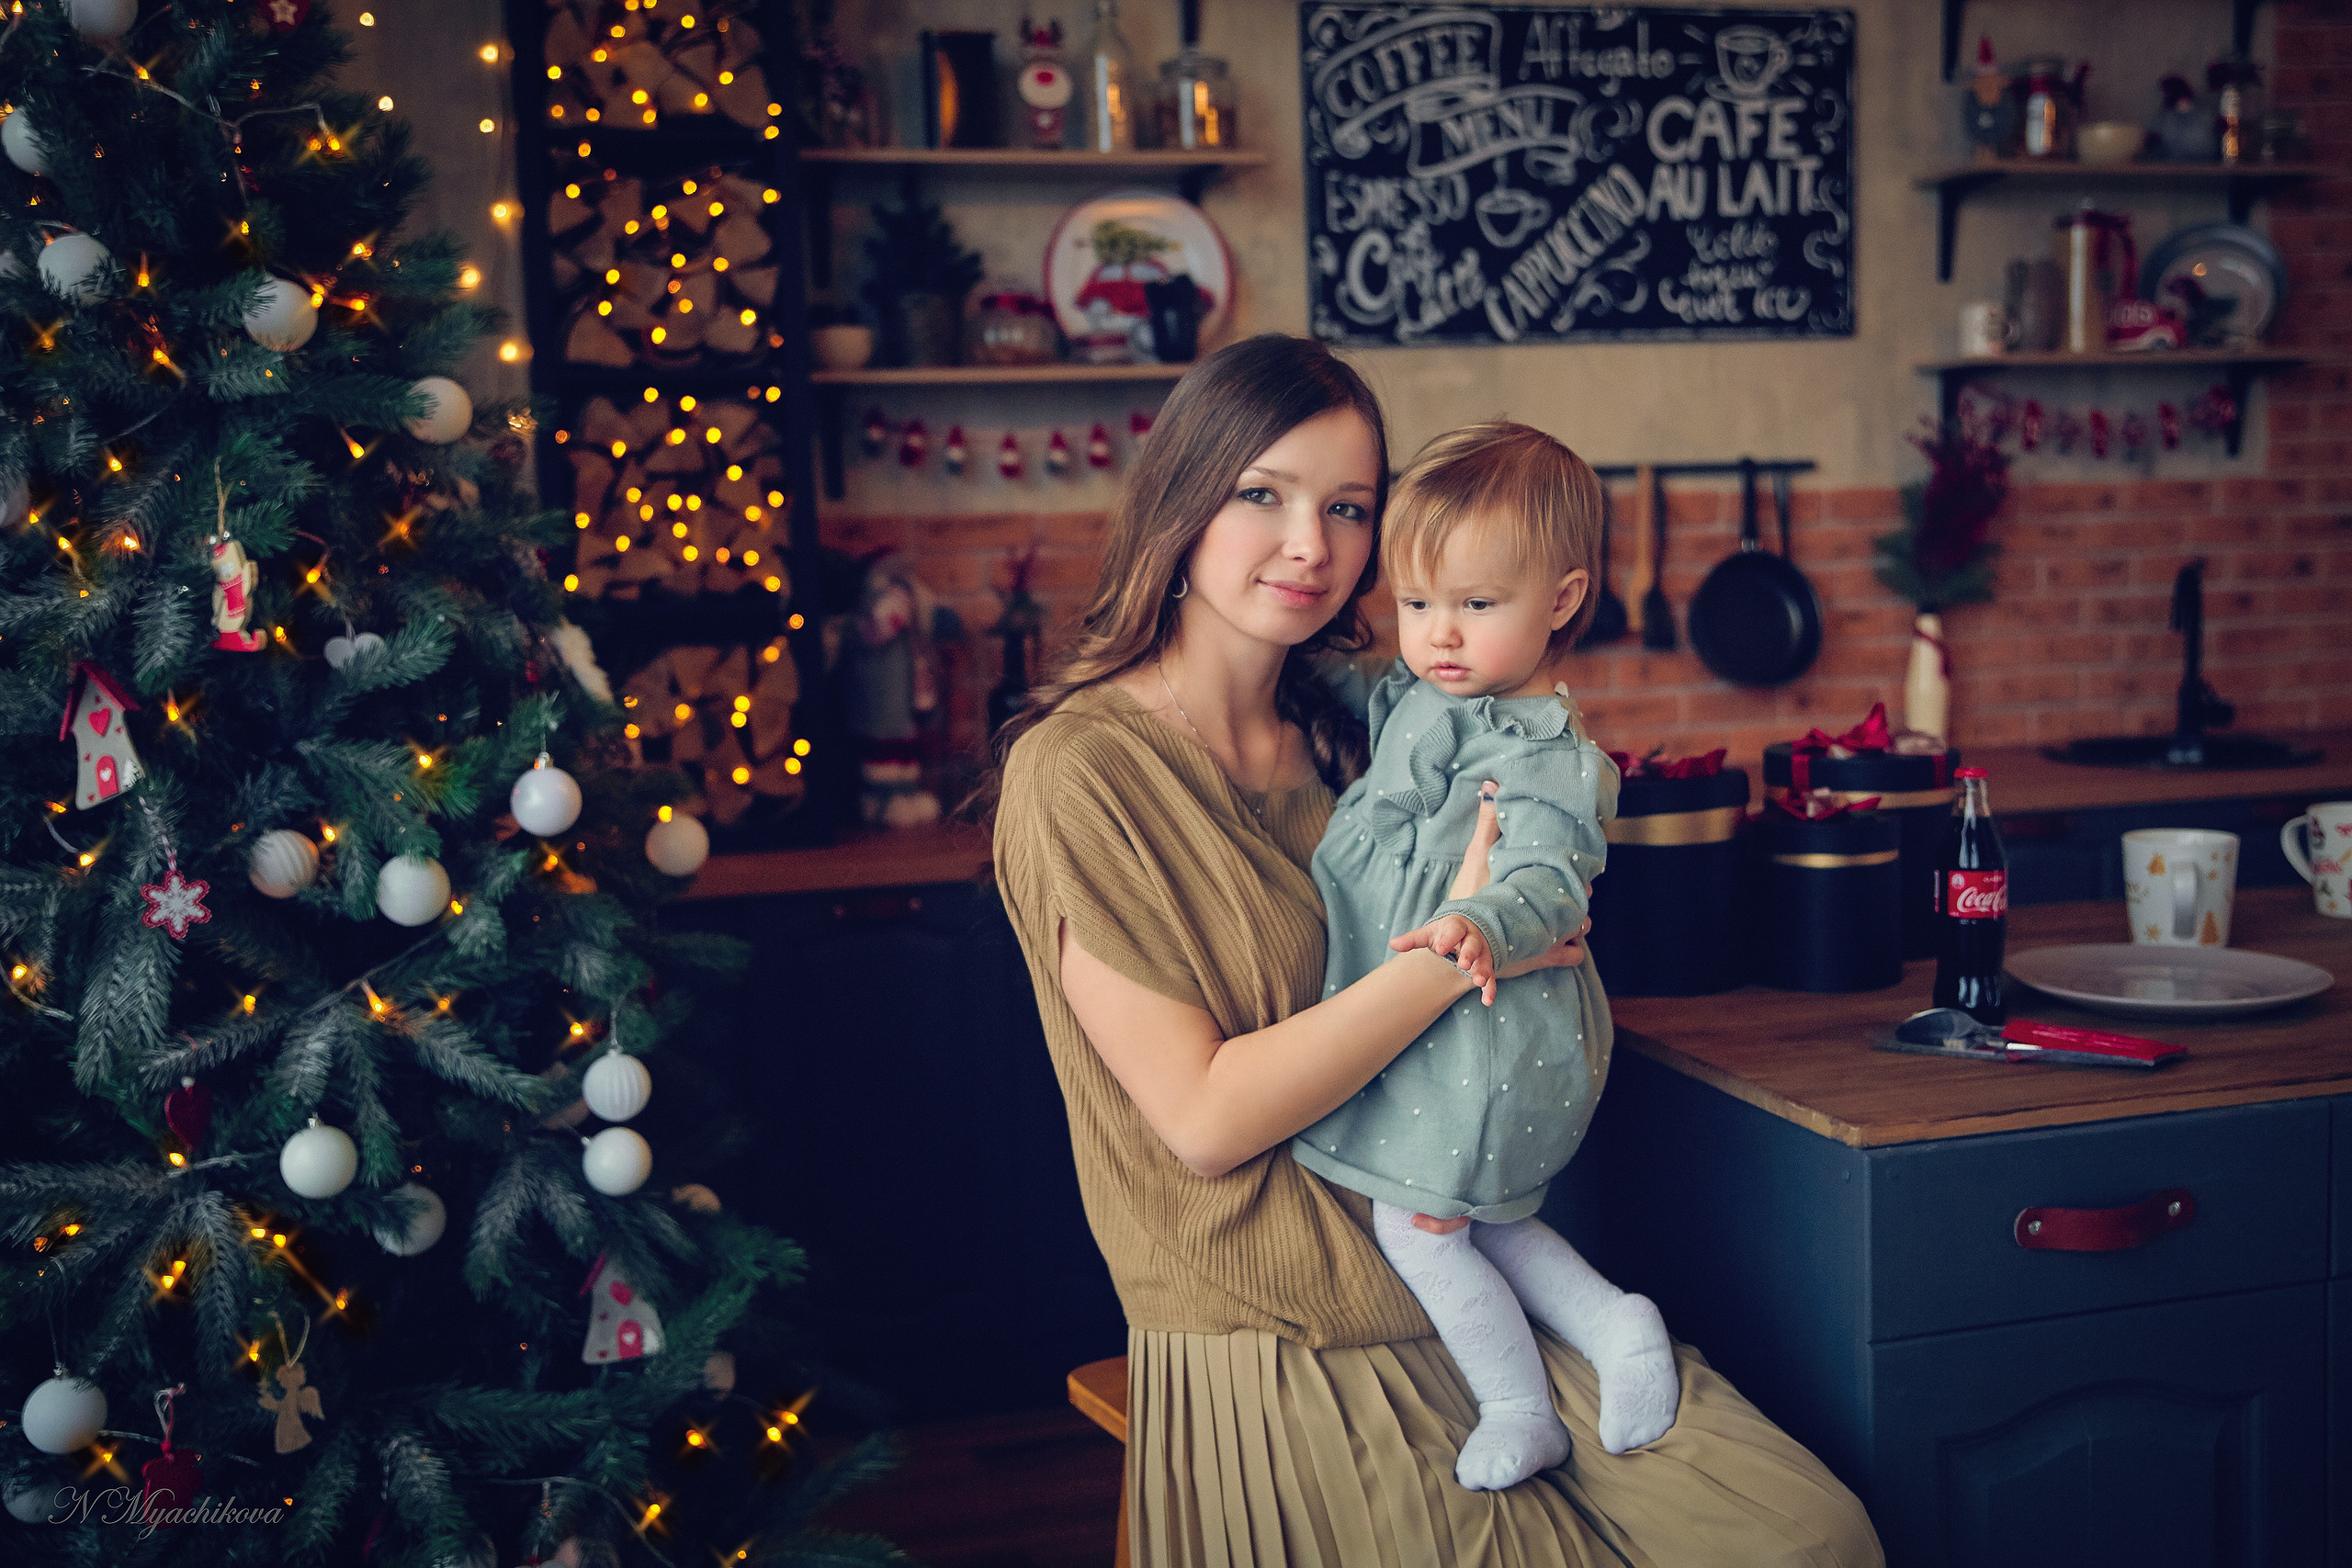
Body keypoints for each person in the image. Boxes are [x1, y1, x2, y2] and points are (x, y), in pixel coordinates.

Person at [983, 334, 1883, 1565]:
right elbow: (1200, 1118)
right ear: (1181, 500)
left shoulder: (1380, 719)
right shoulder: (1080, 772)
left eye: (1347, 506)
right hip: (1280, 1319)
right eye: (1263, 493)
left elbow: (1538, 857)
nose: (1311, 544)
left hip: (1466, 1248)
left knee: (1809, 1538)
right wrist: (1449, 956)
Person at [1292, 423, 1675, 1494]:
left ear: (1560, 600)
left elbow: (1552, 882)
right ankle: (1612, 1322)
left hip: (1490, 1023)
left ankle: (1520, 1407)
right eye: (1417, 605)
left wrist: (1482, 922)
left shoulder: (1549, 755)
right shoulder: (1431, 693)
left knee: (1417, 1228)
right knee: (1473, 1218)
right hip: (1434, 1026)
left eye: (1475, 604)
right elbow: (1362, 687)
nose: (1439, 635)